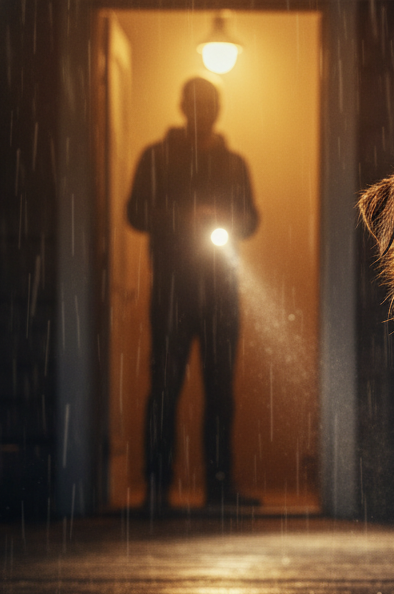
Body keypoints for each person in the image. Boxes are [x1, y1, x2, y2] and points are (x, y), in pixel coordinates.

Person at [126, 77, 260, 511]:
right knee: (166, 387)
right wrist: (183, 217)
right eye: (197, 103)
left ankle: (217, 485)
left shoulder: (234, 164)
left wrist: (224, 217)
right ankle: (158, 488)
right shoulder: (156, 157)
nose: (204, 111)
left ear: (218, 109)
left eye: (210, 104)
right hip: (173, 289)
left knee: (219, 389)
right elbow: (134, 212)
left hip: (220, 290)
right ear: (182, 106)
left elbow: (251, 220)